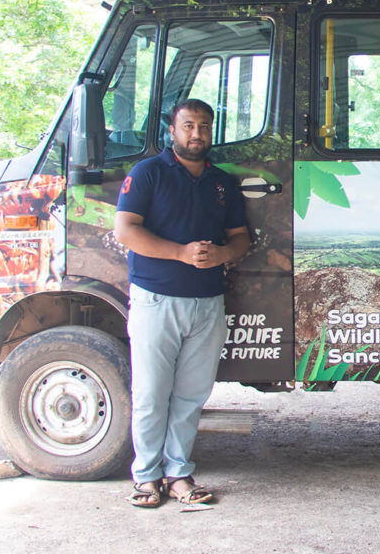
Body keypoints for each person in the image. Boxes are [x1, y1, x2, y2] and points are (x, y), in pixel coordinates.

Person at [114, 98, 250, 508]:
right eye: (188, 125)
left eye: (204, 126)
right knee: (152, 393)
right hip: (156, 299)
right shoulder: (148, 173)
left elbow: (241, 237)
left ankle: (179, 475)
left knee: (192, 395)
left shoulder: (222, 183)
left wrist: (224, 255)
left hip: (207, 302)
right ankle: (145, 477)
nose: (197, 134)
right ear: (172, 131)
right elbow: (125, 230)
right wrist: (180, 253)